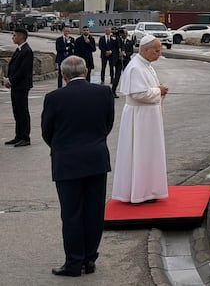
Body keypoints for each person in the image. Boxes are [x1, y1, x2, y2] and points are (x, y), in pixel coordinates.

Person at [41, 56, 114, 277]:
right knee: (94, 211)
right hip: (96, 158)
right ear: (86, 71)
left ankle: (74, 262)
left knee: (72, 214)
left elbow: (47, 131)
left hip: (67, 162)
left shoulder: (54, 97)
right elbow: (107, 124)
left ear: (63, 76)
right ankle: (90, 259)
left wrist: (61, 146)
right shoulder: (103, 93)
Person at [112, 35, 169, 204]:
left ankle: (148, 190)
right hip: (140, 118)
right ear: (145, 50)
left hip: (147, 116)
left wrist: (158, 90)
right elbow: (138, 94)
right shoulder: (136, 67)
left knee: (148, 153)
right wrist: (159, 91)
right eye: (157, 50)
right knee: (140, 153)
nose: (159, 53)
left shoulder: (146, 65)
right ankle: (140, 192)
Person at [4, 27, 34, 147]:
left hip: (21, 86)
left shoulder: (27, 51)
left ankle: (25, 137)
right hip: (16, 86)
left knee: (22, 111)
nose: (13, 37)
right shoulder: (19, 50)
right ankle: (18, 135)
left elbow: (23, 70)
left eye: (15, 35)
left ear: (21, 37)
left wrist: (11, 81)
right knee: (16, 111)